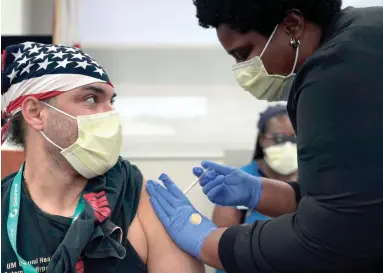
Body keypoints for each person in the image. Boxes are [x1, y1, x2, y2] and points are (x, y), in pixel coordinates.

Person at [146, 1, 383, 272]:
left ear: (292, 26)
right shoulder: (366, 34)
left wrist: (206, 241)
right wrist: (260, 192)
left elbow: (330, 239)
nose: (242, 71)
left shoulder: (335, 72)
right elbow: (353, 194)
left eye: (244, 53)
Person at [1, 42, 205, 273]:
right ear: (35, 113)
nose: (110, 113)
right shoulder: (4, 208)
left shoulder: (139, 201)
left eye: (111, 101)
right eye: (91, 99)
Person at [212, 103, 298, 229]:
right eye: (279, 139)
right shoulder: (238, 181)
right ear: (262, 139)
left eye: (295, 139)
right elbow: (220, 237)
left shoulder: (316, 179)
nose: (288, 146)